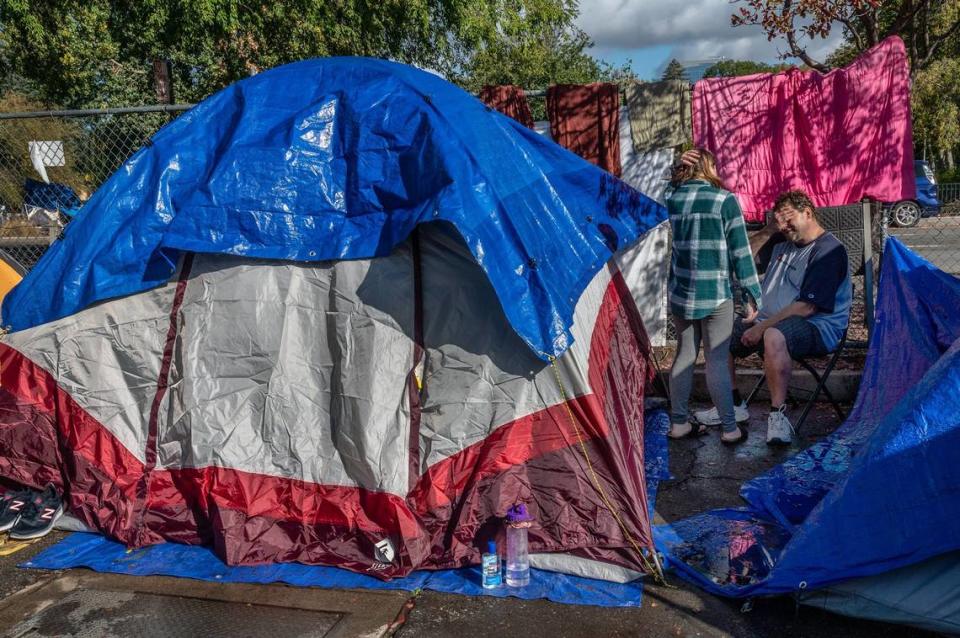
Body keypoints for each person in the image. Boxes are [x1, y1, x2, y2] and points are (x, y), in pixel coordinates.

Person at [694, 189, 852, 445]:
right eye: (780, 220)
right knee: (718, 332)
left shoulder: (828, 250)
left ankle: (778, 416)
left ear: (808, 213)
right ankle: (733, 404)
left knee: (774, 335)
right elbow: (741, 260)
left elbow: (807, 308)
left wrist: (761, 326)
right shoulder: (780, 241)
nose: (785, 226)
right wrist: (769, 230)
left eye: (789, 219)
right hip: (767, 319)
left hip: (818, 326)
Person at [666, 148, 761, 444]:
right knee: (716, 361)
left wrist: (673, 172)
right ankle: (730, 429)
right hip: (716, 294)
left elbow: (658, 197)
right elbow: (741, 253)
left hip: (682, 294)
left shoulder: (673, 198)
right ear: (710, 167)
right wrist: (751, 294)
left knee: (683, 355)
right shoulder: (724, 199)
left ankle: (679, 423)